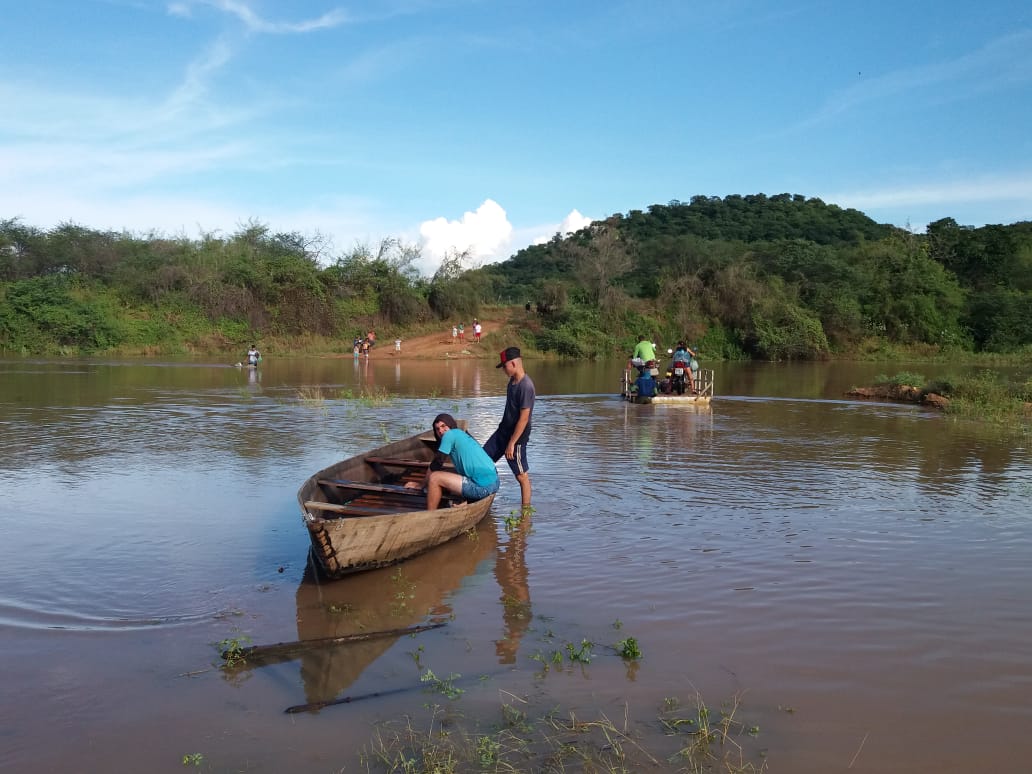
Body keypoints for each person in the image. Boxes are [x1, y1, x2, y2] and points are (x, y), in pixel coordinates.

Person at [405, 414, 499, 509]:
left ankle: (430, 514)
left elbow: (437, 463)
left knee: (434, 477)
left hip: (483, 488)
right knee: (446, 473)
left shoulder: (449, 435)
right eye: (437, 429)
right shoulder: (461, 433)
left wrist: (421, 485)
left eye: (443, 426)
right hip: (494, 482)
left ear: (450, 425)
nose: (441, 431)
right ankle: (466, 500)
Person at [484, 346, 535, 509]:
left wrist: (512, 443)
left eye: (504, 366)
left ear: (513, 364)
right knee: (483, 460)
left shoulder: (526, 386)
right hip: (503, 432)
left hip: (517, 437)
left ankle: (525, 512)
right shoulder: (512, 382)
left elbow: (524, 418)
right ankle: (478, 496)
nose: (503, 370)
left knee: (521, 476)